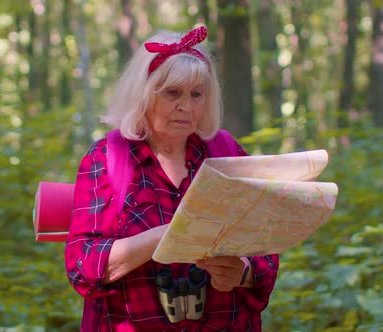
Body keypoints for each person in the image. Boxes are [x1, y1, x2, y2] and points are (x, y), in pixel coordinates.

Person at [64, 26, 279, 331]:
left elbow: (267, 246)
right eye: (173, 93)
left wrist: (242, 271)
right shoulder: (108, 157)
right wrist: (169, 235)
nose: (186, 107)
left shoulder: (226, 153)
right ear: (144, 95)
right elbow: (81, 263)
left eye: (196, 94)